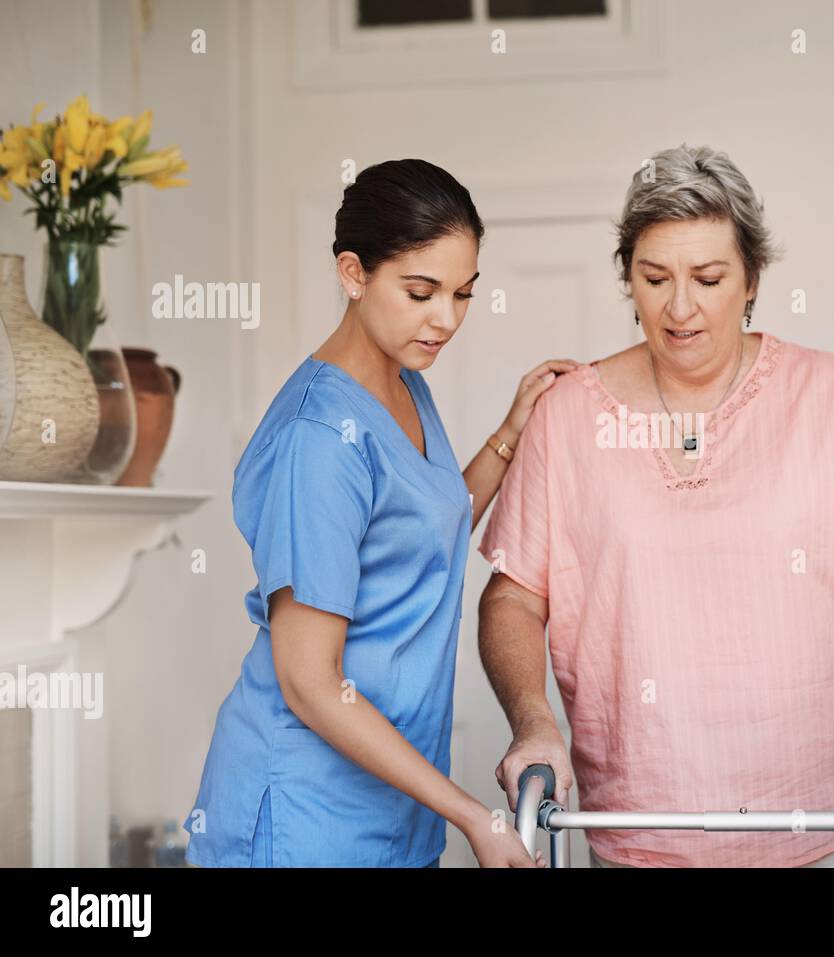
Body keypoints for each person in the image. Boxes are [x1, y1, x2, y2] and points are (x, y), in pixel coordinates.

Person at [476, 144, 834, 867]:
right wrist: (533, 722)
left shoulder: (831, 395)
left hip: (827, 817)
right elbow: (511, 600)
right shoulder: (568, 417)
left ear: (752, 278)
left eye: (707, 278)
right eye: (654, 278)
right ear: (629, 279)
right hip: (643, 829)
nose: (679, 306)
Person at [184, 159, 575, 867]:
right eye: (421, 291)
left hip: (390, 806)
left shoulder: (400, 378)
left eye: (462, 293)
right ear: (354, 273)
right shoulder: (319, 439)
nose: (446, 319)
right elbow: (309, 681)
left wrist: (510, 431)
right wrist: (470, 814)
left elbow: (424, 524)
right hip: (303, 815)